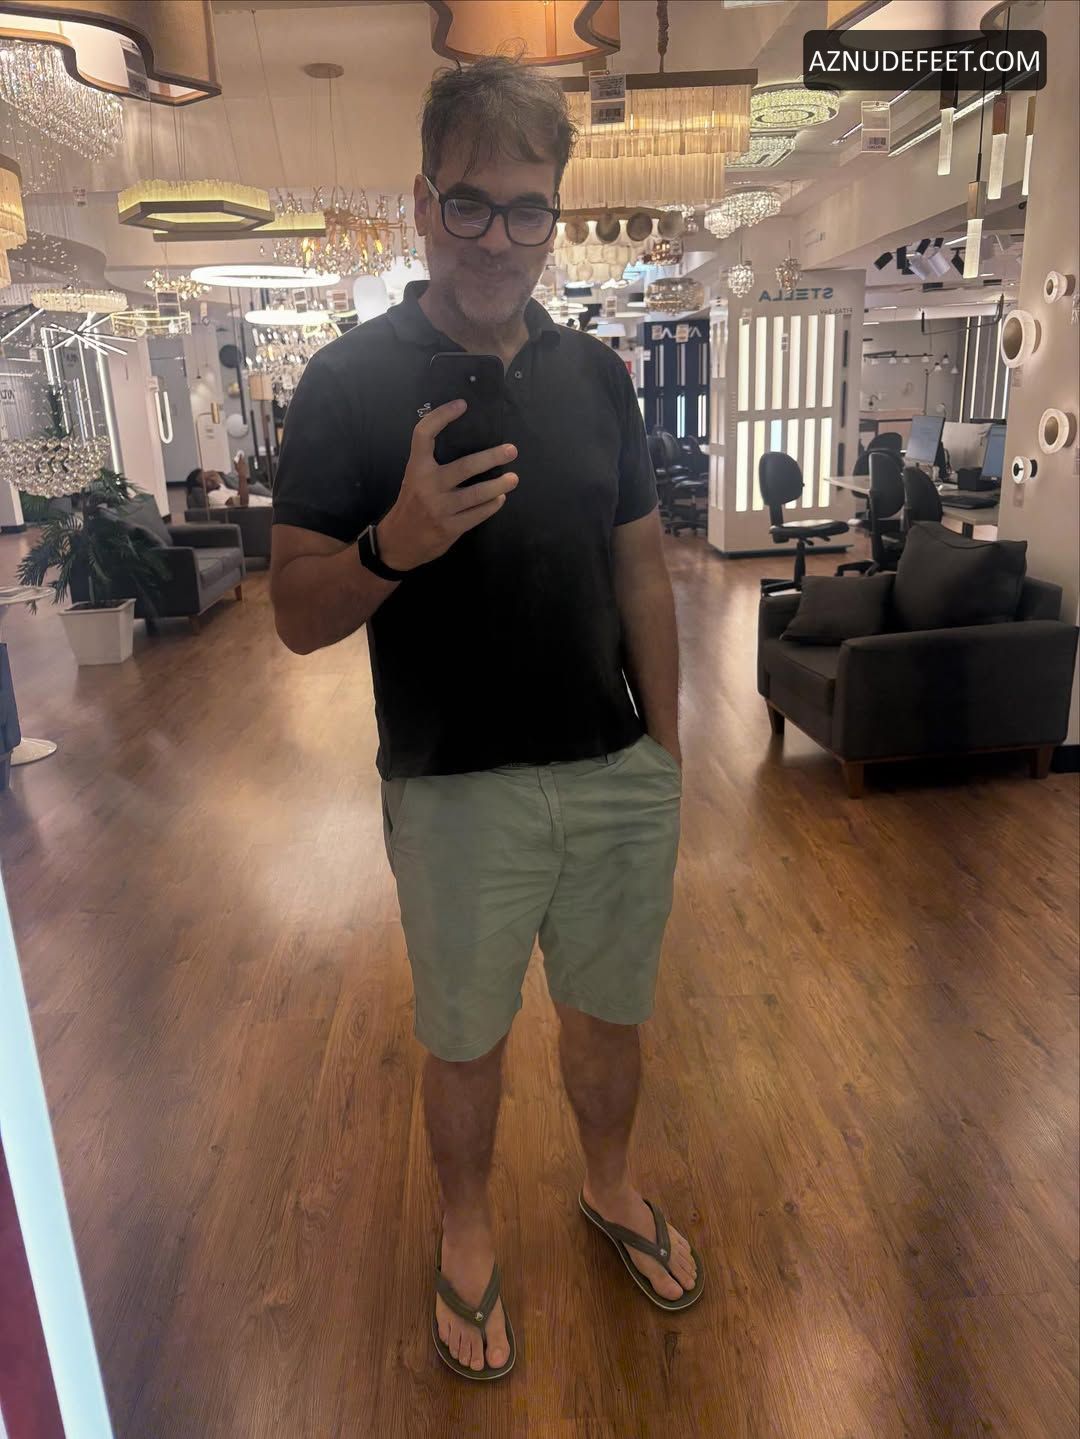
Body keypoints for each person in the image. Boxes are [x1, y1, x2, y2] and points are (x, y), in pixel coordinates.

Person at [270, 57, 699, 1382]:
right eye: (468, 203)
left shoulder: (602, 376)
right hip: (453, 783)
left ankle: (610, 1184)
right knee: (464, 1038)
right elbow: (294, 612)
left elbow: (641, 569)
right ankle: (465, 1226)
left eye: (526, 208)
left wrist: (667, 751)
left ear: (556, 212)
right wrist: (394, 542)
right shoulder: (345, 384)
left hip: (613, 768)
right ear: (421, 202)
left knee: (609, 1018)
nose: (497, 238)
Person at [187, 452, 272, 508]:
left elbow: (217, 475)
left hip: (270, 503)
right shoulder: (213, 496)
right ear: (200, 488)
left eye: (209, 475)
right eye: (206, 480)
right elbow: (241, 503)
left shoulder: (222, 487)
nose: (212, 479)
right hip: (268, 511)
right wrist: (242, 475)